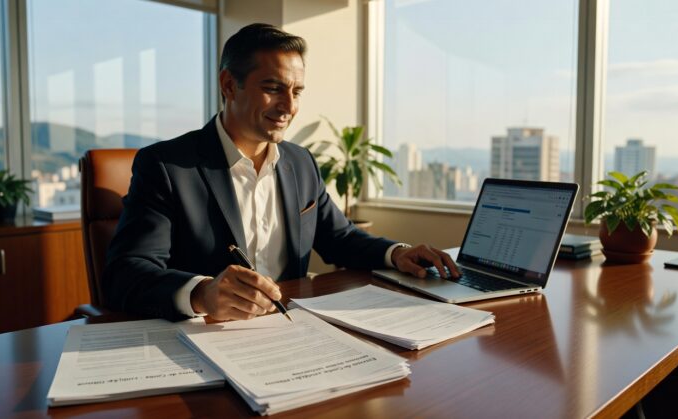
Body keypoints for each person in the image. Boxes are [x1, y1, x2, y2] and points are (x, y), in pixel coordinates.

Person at [103, 23, 459, 322]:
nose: (289, 106)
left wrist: (396, 253)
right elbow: (125, 273)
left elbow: (340, 238)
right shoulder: (167, 166)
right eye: (273, 88)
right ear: (229, 85)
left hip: (289, 327)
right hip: (205, 336)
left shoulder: (300, 162)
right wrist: (202, 293)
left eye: (297, 91)